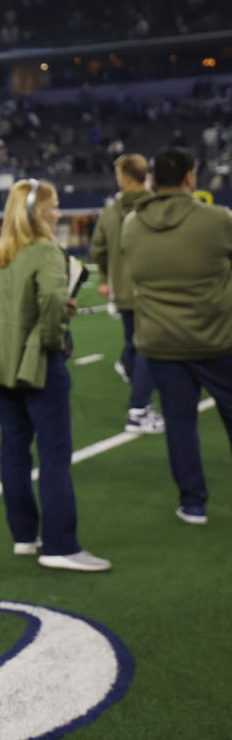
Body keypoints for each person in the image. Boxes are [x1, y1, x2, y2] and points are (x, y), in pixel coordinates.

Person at [0, 179, 111, 571]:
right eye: (53, 207)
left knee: (14, 451)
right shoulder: (45, 250)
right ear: (38, 214)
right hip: (37, 364)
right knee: (54, 454)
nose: (58, 214)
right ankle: (60, 545)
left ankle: (24, 535)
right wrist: (54, 340)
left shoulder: (3, 251)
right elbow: (52, 301)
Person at [121, 148, 232, 526]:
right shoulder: (218, 220)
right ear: (190, 178)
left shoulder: (132, 224)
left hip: (162, 341)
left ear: (153, 180)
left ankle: (193, 503)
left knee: (180, 423)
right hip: (216, 338)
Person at [89, 153, 164, 434]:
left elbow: (97, 248)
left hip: (121, 289)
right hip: (151, 288)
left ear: (124, 177)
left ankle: (139, 392)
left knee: (133, 345)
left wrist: (105, 278)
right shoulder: (156, 206)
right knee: (147, 347)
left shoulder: (110, 211)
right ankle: (139, 408)